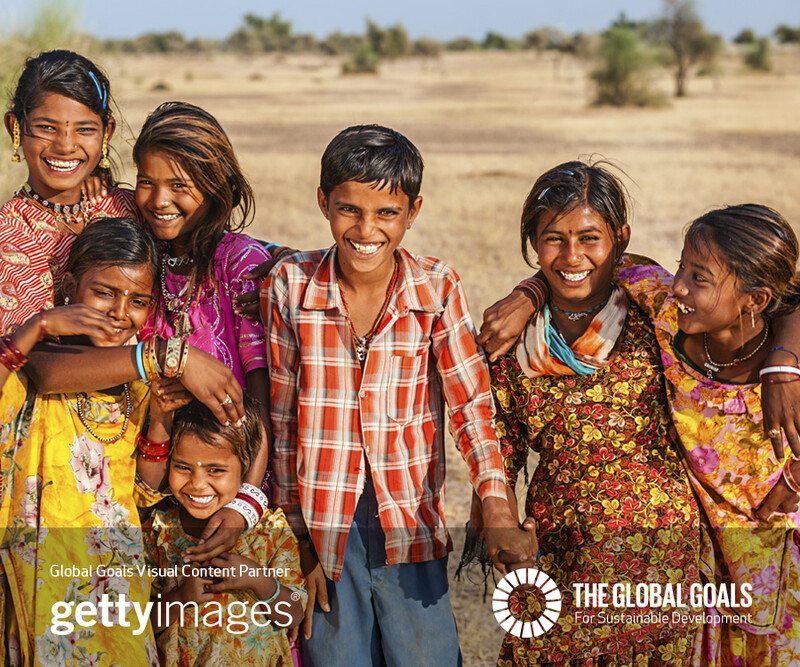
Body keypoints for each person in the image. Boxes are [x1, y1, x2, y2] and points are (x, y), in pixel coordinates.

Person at [261, 124, 535, 667]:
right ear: (323, 203)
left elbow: (470, 404)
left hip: (409, 519)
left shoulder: (437, 288)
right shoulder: (290, 285)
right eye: (349, 210)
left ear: (412, 212)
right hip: (324, 525)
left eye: (386, 213)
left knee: (425, 655)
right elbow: (282, 418)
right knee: (337, 656)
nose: (366, 229)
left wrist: (495, 498)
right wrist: (296, 534)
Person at [475, 161, 702, 665]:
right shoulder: (510, 340)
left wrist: (784, 371)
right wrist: (502, 524)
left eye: (590, 238)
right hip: (555, 548)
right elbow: (498, 448)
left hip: (660, 555)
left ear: (619, 238)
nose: (572, 256)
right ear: (534, 242)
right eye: (553, 238)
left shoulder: (659, 314)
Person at [613, 204, 800, 666]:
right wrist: (530, 293)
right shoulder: (665, 312)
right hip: (694, 563)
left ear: (756, 301)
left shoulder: (784, 380)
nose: (678, 285)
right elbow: (591, 261)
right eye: (681, 266)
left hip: (773, 563)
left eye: (700, 278)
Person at [0, 218, 169, 665]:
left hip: (117, 582)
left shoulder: (139, 383)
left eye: (138, 300)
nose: (120, 311)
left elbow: (145, 491)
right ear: (70, 285)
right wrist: (34, 329)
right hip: (42, 575)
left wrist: (161, 423)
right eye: (104, 292)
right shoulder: (31, 364)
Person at [143, 398, 305, 666]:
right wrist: (180, 598)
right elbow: (140, 621)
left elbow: (295, 611)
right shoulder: (158, 533)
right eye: (183, 467)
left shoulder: (269, 531)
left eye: (215, 470)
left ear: (245, 468)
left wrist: (258, 580)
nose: (197, 484)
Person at [0, 50, 135, 334]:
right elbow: (35, 356)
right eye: (47, 127)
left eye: (84, 129)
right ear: (15, 127)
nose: (65, 145)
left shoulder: (127, 208)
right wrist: (153, 359)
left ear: (106, 133)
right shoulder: (10, 233)